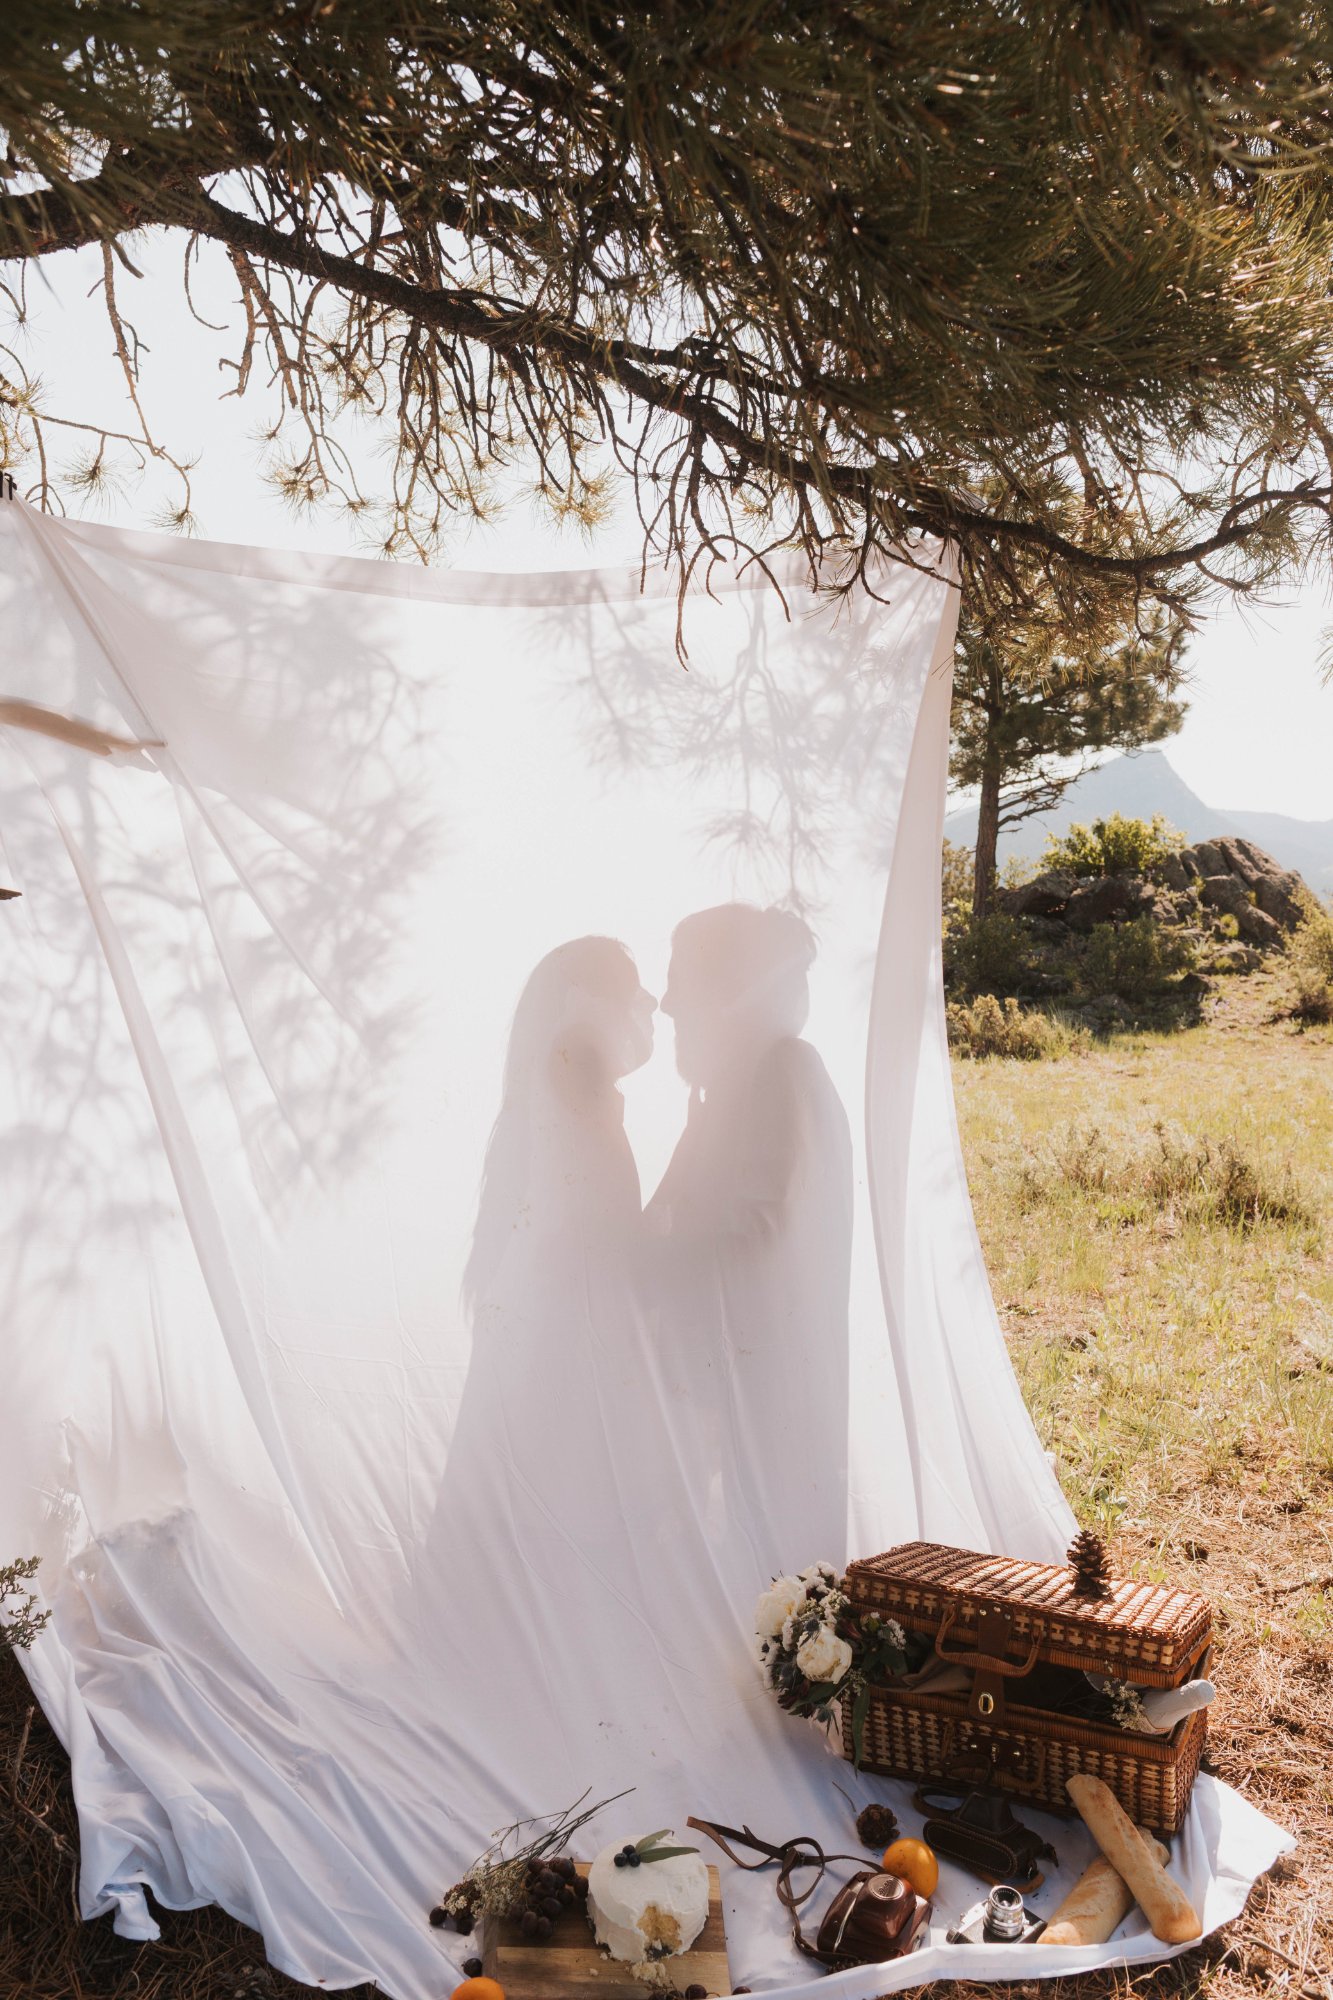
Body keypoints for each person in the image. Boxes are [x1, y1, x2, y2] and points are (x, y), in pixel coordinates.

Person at [647, 904, 853, 1595]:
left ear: (724, 988)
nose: (668, 1002)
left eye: (680, 981)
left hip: (763, 1394)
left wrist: (634, 1275)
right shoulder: (737, 1081)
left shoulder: (782, 1070)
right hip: (729, 1380)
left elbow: (758, 1236)